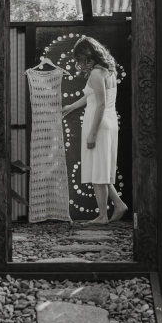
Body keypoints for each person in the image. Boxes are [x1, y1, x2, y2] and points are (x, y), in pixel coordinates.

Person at [61, 36, 128, 225]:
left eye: (80, 58)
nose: (79, 63)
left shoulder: (97, 74)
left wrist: (92, 132)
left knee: (99, 172)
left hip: (99, 124)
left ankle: (102, 216)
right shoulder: (107, 71)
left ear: (87, 54)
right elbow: (90, 97)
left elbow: (100, 105)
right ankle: (119, 204)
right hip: (107, 123)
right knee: (102, 170)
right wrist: (71, 107)